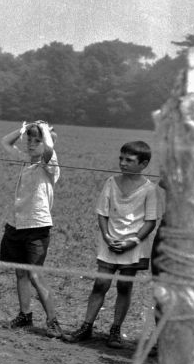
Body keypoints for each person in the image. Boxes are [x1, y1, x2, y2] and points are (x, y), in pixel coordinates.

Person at [64, 141, 161, 349]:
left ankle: (115, 330)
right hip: (110, 242)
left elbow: (150, 221)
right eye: (121, 159)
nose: (123, 163)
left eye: (129, 160)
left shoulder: (149, 189)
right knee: (100, 284)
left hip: (133, 246)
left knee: (125, 286)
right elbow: (102, 213)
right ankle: (86, 325)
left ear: (143, 164)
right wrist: (107, 237)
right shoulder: (111, 182)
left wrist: (131, 241)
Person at [0, 120, 62, 338]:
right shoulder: (26, 160)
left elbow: (50, 150)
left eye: (38, 141)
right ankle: (25, 314)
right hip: (17, 223)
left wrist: (44, 129)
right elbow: (5, 142)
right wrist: (24, 128)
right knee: (20, 272)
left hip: (37, 225)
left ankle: (53, 320)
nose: (32, 144)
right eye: (29, 140)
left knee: (35, 274)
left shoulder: (50, 164)